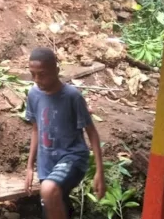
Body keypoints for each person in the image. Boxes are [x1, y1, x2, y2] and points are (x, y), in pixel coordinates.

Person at [25, 47, 106, 219]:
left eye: (42, 74)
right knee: (52, 206)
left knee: (48, 189)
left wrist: (100, 172)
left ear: (56, 70)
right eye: (33, 74)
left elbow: (91, 132)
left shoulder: (72, 96)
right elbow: (35, 129)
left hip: (72, 157)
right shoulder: (33, 94)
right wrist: (30, 167)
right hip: (46, 163)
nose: (37, 79)